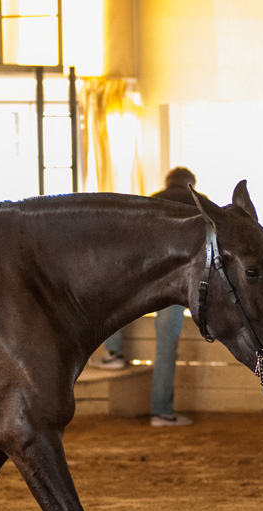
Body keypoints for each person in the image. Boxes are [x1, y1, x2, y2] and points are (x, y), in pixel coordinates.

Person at [91, 166, 199, 428]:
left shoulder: (151, 200)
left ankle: (115, 353)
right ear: (192, 184)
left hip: (147, 276)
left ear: (167, 182)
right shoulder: (200, 204)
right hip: (178, 283)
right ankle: (161, 412)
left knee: (119, 302)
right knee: (165, 346)